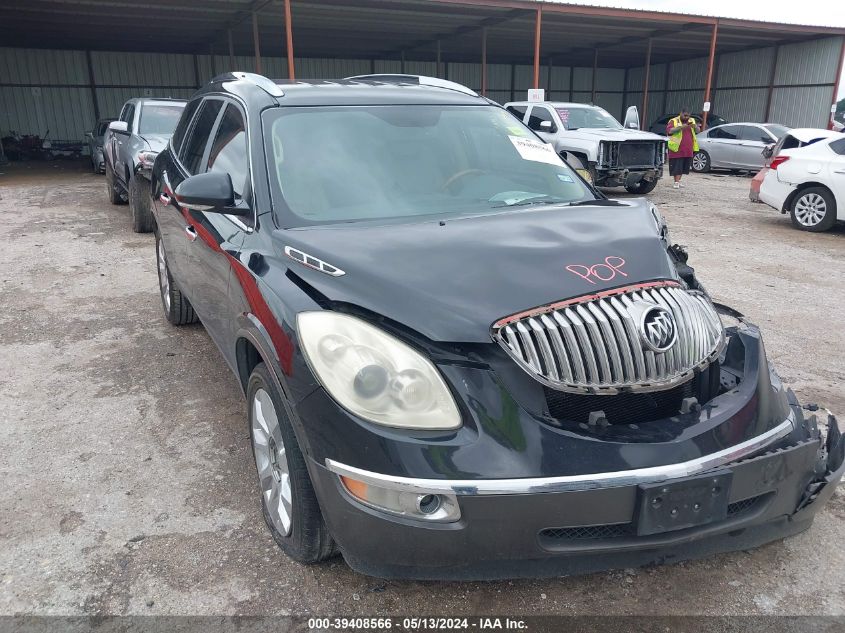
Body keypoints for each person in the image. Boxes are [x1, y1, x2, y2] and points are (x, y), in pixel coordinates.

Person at [666, 108, 700, 189]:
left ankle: (678, 181)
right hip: (676, 147)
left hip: (688, 148)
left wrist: (695, 126)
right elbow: (670, 131)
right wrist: (681, 127)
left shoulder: (692, 120)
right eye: (685, 115)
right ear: (681, 113)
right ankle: (676, 182)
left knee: (684, 166)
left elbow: (698, 131)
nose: (686, 117)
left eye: (688, 116)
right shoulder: (674, 121)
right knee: (677, 166)